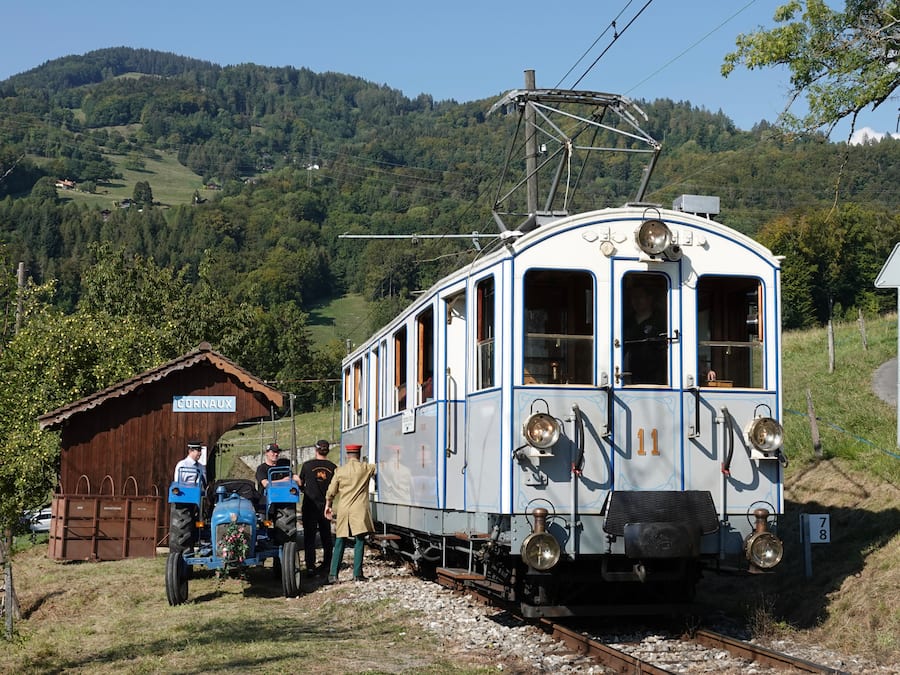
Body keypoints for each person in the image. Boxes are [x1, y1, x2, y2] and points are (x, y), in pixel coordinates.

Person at [324, 443, 376, 583]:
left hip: (344, 509)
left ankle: (333, 574)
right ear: (359, 455)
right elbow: (378, 467)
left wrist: (328, 505)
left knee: (340, 539)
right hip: (359, 509)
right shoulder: (366, 468)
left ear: (347, 455)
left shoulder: (340, 471)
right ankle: (357, 574)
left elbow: (331, 491)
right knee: (359, 540)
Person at [298, 439, 336, 575]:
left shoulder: (307, 466)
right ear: (328, 451)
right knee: (326, 535)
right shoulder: (333, 467)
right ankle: (328, 564)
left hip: (310, 505)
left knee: (310, 537)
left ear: (316, 450)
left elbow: (301, 484)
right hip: (326, 505)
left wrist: (298, 482)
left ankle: (310, 566)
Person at [623, 279, 668, 385]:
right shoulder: (626, 321)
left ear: (649, 298)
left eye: (640, 297)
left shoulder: (662, 321)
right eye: (633, 297)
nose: (636, 301)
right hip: (631, 375)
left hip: (657, 377)